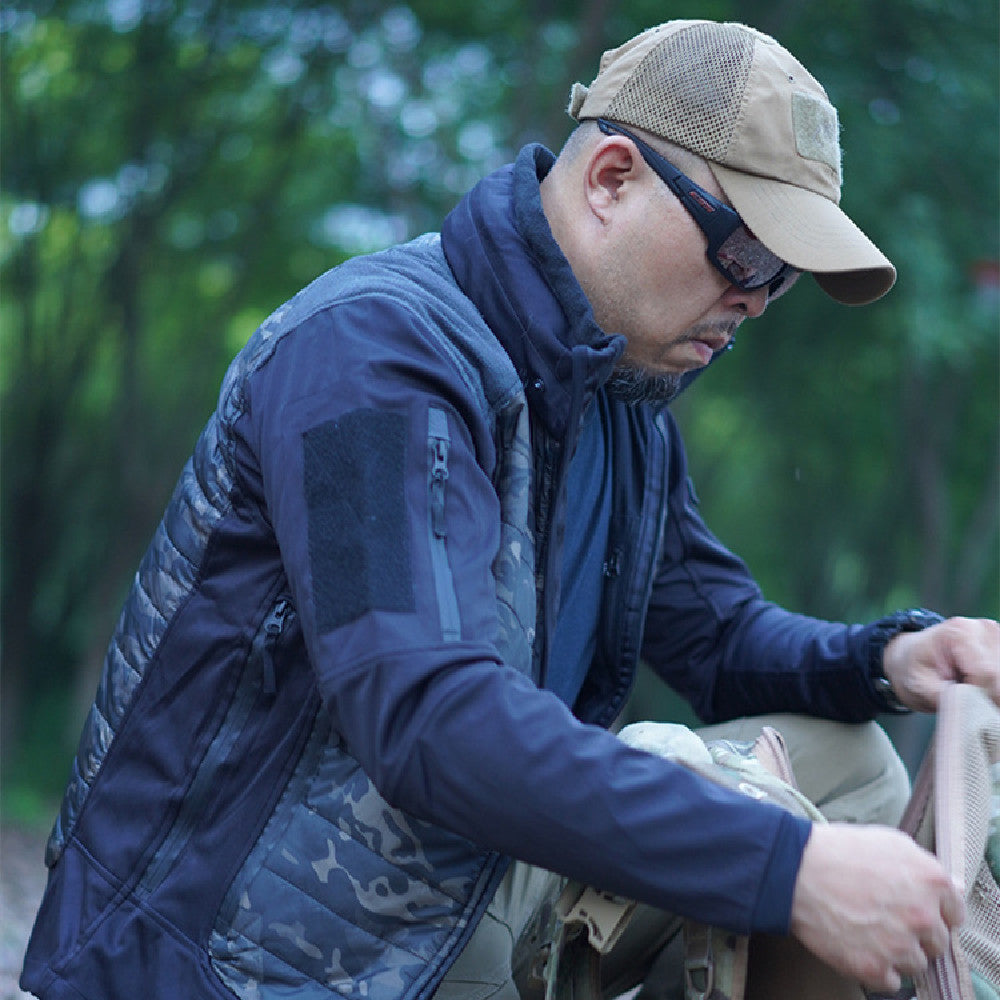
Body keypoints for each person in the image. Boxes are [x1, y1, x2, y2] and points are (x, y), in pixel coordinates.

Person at [20, 18, 999, 1000]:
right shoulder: (369, 359)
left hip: (462, 898)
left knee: (851, 763)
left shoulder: (626, 407)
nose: (753, 300)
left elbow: (719, 639)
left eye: (780, 280)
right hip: (223, 962)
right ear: (610, 178)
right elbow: (425, 719)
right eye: (744, 254)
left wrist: (889, 659)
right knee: (765, 824)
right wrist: (782, 866)